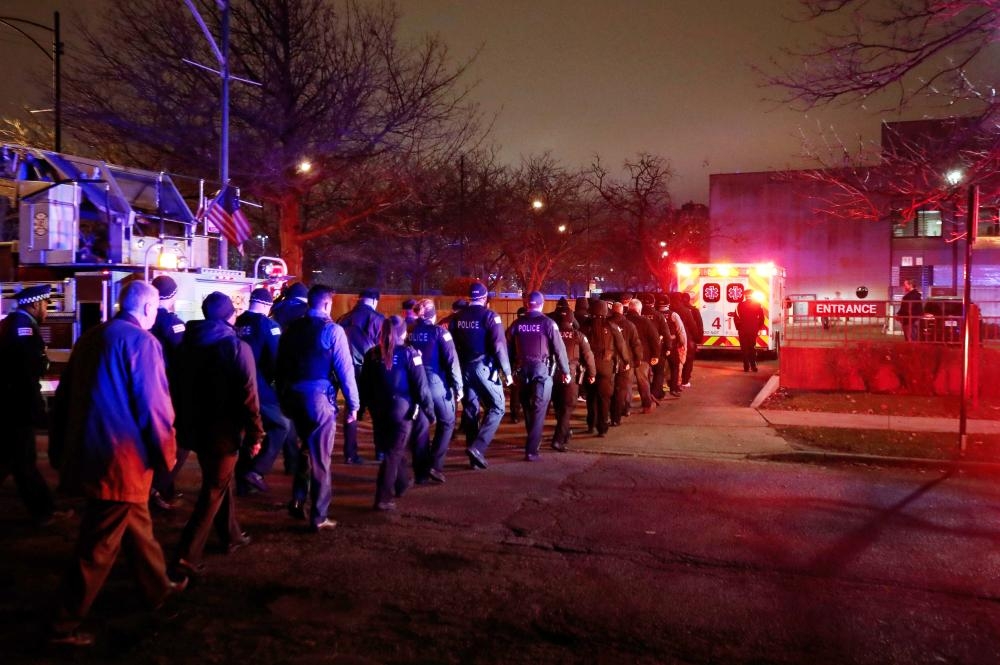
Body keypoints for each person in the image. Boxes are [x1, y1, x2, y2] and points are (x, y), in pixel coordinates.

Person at [49, 280, 186, 647]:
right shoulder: (143, 343)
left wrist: (60, 448)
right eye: (155, 309)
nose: (156, 315)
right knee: (98, 545)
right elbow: (155, 407)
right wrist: (167, 457)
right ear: (146, 309)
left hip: (92, 455)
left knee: (136, 526)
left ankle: (160, 591)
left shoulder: (92, 337)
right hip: (121, 461)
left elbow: (64, 398)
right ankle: (64, 624)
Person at [170, 292, 264, 579]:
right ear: (227, 315)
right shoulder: (235, 347)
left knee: (219, 482)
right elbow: (249, 394)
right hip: (224, 431)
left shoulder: (186, 344)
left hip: (194, 427)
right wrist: (256, 432)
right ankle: (186, 555)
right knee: (213, 489)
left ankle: (231, 535)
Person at [276, 285, 359, 532]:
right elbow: (346, 371)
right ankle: (319, 515)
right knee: (321, 458)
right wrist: (353, 404)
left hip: (293, 396)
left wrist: (283, 396)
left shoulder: (291, 329)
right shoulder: (332, 330)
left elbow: (280, 365)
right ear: (325, 305)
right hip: (318, 399)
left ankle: (298, 499)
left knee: (305, 449)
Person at [0, 284, 66, 525]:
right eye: (46, 304)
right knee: (24, 461)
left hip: (11, 405)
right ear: (36, 304)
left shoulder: (13, 323)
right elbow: (26, 371)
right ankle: (44, 512)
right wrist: (36, 409)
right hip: (17, 406)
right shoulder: (23, 327)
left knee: (12, 459)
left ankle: (44, 509)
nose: (47, 310)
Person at [361, 316, 435, 510]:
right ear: (404, 332)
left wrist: (363, 408)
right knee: (393, 453)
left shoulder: (372, 354)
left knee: (393, 449)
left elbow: (364, 385)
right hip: (401, 410)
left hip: (379, 410)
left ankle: (401, 483)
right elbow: (421, 387)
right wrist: (429, 411)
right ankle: (382, 497)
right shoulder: (410, 354)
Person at [235, 288, 297, 494]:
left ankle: (243, 483)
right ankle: (256, 470)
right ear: (266, 305)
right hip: (259, 387)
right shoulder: (269, 325)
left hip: (236, 386)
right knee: (281, 425)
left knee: (247, 432)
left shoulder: (238, 321)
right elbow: (276, 359)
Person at [449, 281, 512, 469]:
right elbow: (499, 346)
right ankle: (478, 447)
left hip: (463, 368)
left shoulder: (457, 317)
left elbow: (452, 346)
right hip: (484, 367)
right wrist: (507, 372)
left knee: (470, 410)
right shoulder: (490, 316)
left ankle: (473, 459)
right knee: (498, 406)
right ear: (484, 298)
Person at [508, 292, 571, 461]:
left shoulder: (517, 323)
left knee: (528, 409)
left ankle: (532, 440)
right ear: (542, 304)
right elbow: (559, 349)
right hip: (541, 371)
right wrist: (566, 371)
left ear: (527, 304)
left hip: (521, 371)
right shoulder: (548, 323)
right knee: (538, 409)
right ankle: (531, 450)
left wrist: (508, 372)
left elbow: (508, 348)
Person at [407, 299, 463, 483]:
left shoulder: (411, 331)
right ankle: (435, 465)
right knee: (447, 421)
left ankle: (421, 473)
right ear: (433, 314)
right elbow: (451, 361)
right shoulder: (440, 332)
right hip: (436, 384)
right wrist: (458, 386)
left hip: (416, 384)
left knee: (421, 428)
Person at [149, 275, 188, 511]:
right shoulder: (172, 322)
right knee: (179, 440)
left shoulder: (146, 319)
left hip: (149, 386)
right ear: (172, 297)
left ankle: (166, 487)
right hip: (170, 388)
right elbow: (183, 355)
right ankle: (157, 486)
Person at [338, 288, 385, 464]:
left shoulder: (343, 319)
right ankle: (380, 451)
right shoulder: (379, 320)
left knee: (352, 410)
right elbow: (384, 348)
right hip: (370, 371)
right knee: (378, 412)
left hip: (345, 371)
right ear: (374, 301)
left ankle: (350, 452)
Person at [550, 303, 595, 452]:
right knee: (567, 407)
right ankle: (558, 439)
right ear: (571, 319)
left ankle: (565, 432)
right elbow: (588, 356)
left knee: (558, 406)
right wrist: (592, 373)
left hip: (552, 374)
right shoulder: (578, 335)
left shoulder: (551, 334)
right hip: (570, 374)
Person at [581, 299, 628, 438]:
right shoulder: (612, 326)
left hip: (589, 367)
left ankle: (591, 424)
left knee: (591, 397)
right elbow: (621, 345)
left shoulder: (585, 327)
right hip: (606, 366)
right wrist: (626, 360)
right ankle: (602, 427)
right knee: (604, 398)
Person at [626, 299, 660, 413]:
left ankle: (625, 408)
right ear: (639, 309)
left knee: (626, 383)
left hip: (626, 357)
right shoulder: (645, 321)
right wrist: (655, 355)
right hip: (643, 357)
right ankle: (647, 405)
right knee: (643, 382)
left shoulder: (624, 320)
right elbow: (654, 339)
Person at [609, 301, 639, 425]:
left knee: (610, 388)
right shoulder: (630, 325)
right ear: (622, 311)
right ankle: (623, 410)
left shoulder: (607, 324)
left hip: (610, 361)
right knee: (623, 389)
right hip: (625, 361)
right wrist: (636, 359)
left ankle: (609, 413)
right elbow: (635, 344)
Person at [734, 289, 765, 372]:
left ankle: (746, 367)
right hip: (753, 330)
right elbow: (762, 318)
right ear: (752, 295)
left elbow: (736, 317)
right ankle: (753, 366)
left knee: (744, 348)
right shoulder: (758, 305)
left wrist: (739, 327)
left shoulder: (739, 305)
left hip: (742, 330)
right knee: (752, 347)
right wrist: (758, 328)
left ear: (745, 296)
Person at [680, 292, 703, 386]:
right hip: (690, 339)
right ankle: (685, 381)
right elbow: (699, 325)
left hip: (679, 338)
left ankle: (677, 380)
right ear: (689, 299)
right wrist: (698, 339)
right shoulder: (694, 310)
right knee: (689, 360)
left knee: (679, 360)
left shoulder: (677, 310)